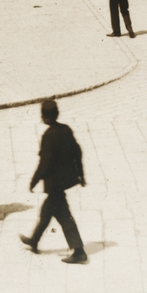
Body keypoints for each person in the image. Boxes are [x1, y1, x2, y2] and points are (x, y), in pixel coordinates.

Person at [19, 98, 88, 264]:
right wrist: (81, 174)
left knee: (64, 216)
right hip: (64, 181)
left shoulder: (48, 136)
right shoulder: (66, 130)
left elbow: (45, 163)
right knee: (47, 211)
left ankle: (79, 251)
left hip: (54, 183)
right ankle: (35, 240)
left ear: (45, 117)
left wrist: (34, 180)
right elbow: (77, 152)